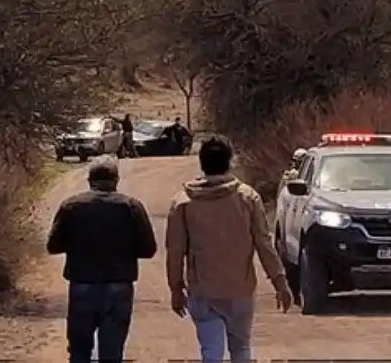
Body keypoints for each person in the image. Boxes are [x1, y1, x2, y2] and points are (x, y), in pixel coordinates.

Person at [166, 136, 294, 363]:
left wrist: (176, 288)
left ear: (201, 162)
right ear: (230, 160)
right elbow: (264, 244)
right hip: (240, 290)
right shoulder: (247, 198)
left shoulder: (183, 202)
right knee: (241, 349)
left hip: (202, 290)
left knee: (211, 351)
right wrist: (280, 282)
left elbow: (175, 250)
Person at [46, 156, 158, 363]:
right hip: (118, 285)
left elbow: (53, 246)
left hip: (82, 284)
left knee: (79, 351)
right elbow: (148, 249)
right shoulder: (131, 206)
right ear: (115, 180)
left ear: (89, 180)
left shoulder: (72, 206)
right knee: (112, 352)